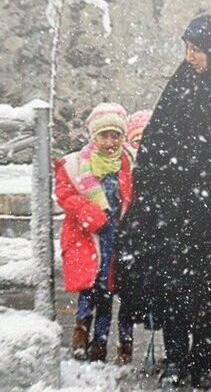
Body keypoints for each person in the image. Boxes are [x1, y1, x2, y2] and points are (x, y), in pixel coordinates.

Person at [116, 14, 211, 389]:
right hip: (175, 208)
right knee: (173, 286)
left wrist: (206, 156)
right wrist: (162, 177)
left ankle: (201, 362)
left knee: (209, 291)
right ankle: (176, 358)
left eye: (196, 50)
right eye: (187, 48)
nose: (190, 57)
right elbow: (157, 136)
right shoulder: (182, 83)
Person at [55, 102, 134, 363]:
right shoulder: (76, 164)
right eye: (104, 135)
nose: (110, 142)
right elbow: (65, 194)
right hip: (87, 237)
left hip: (115, 239)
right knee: (89, 287)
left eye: (116, 135)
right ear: (93, 136)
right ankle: (81, 331)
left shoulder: (128, 165)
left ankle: (100, 343)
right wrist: (89, 213)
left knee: (107, 290)